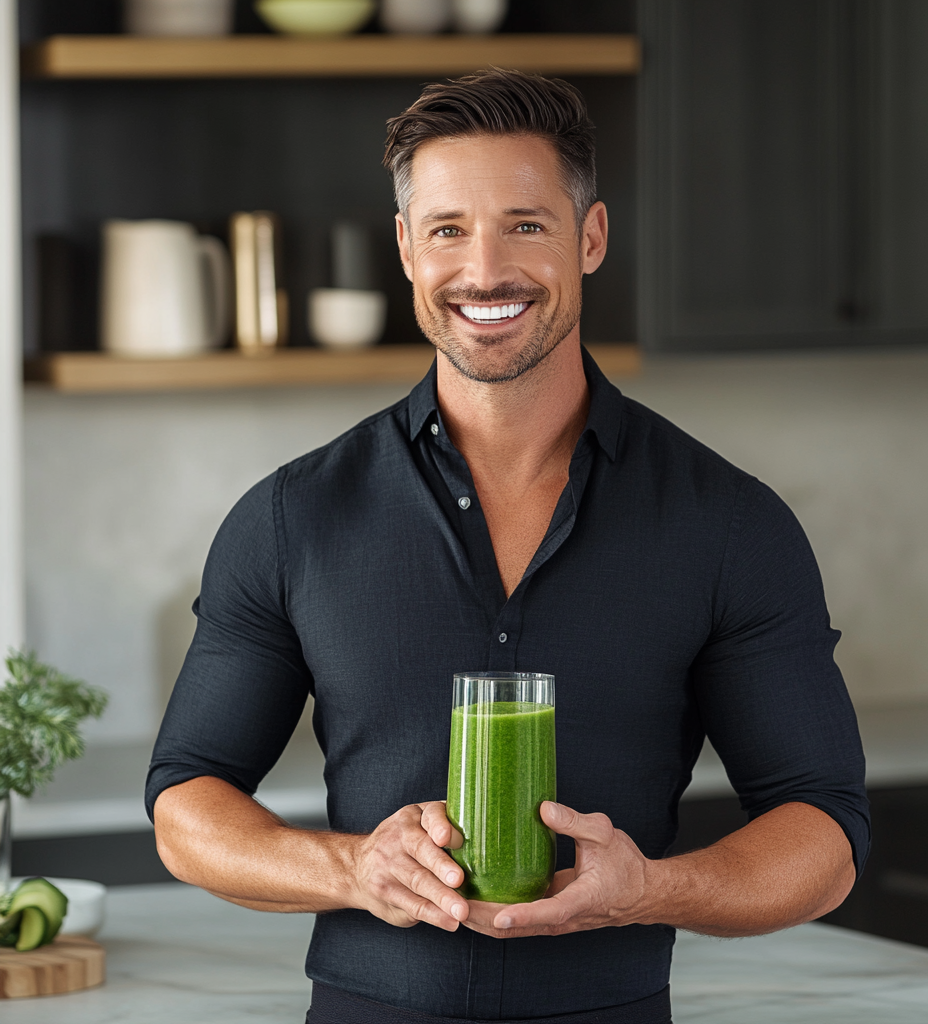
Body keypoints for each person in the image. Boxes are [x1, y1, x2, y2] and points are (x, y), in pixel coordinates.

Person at [147, 70, 869, 1024]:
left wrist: (649, 889)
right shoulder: (293, 517)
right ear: (406, 248)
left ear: (592, 237)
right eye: (448, 229)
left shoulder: (729, 523)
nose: (485, 270)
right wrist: (354, 867)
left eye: (526, 224)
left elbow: (823, 835)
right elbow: (187, 804)